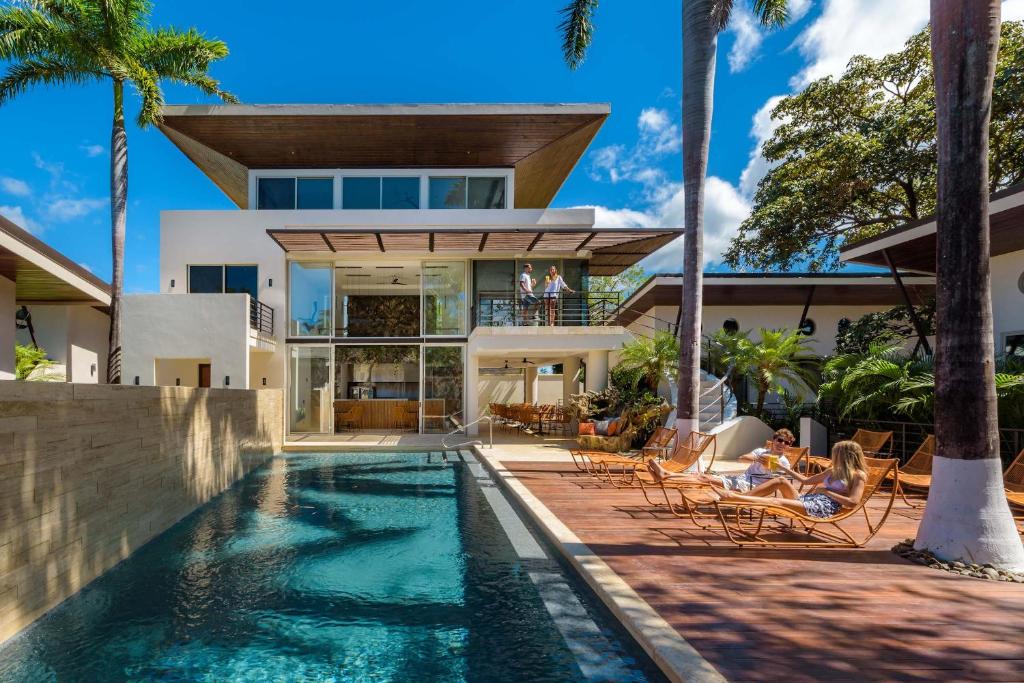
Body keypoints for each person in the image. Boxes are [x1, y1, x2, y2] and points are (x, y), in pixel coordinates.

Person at [711, 440, 869, 519]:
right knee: (780, 480)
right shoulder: (833, 470)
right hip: (810, 500)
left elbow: (853, 502)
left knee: (777, 503)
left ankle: (734, 498)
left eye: (835, 454)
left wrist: (827, 492)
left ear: (844, 456)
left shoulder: (858, 475)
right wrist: (782, 468)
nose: (833, 457)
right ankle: (741, 499)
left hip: (825, 507)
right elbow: (806, 481)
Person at [647, 428, 795, 491]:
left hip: (751, 486)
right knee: (701, 476)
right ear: (774, 440)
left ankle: (666, 475)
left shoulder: (783, 462)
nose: (782, 444)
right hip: (741, 479)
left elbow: (777, 481)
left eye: (786, 442)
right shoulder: (761, 451)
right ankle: (666, 475)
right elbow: (742, 459)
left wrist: (770, 464)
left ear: (789, 446)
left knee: (703, 478)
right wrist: (758, 458)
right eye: (780, 440)